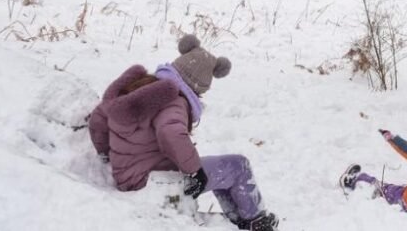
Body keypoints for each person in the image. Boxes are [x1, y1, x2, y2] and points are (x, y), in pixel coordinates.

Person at [89, 35, 279, 231]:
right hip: (152, 182)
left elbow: (98, 119)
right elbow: (170, 132)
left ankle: (239, 221)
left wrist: (105, 154)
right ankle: (257, 222)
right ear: (195, 87)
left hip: (127, 176)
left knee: (219, 173)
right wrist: (195, 171)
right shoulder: (173, 98)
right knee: (238, 166)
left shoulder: (139, 87)